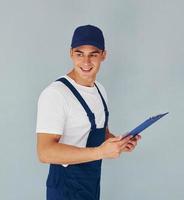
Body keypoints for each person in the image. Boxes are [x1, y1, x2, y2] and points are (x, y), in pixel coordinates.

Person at [36, 24, 141, 200]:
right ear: (71, 54)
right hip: (65, 188)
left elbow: (100, 133)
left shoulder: (100, 90)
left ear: (103, 55)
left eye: (93, 54)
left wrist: (119, 143)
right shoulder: (56, 94)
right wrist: (101, 152)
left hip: (90, 184)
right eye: (79, 54)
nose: (86, 62)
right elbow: (44, 152)